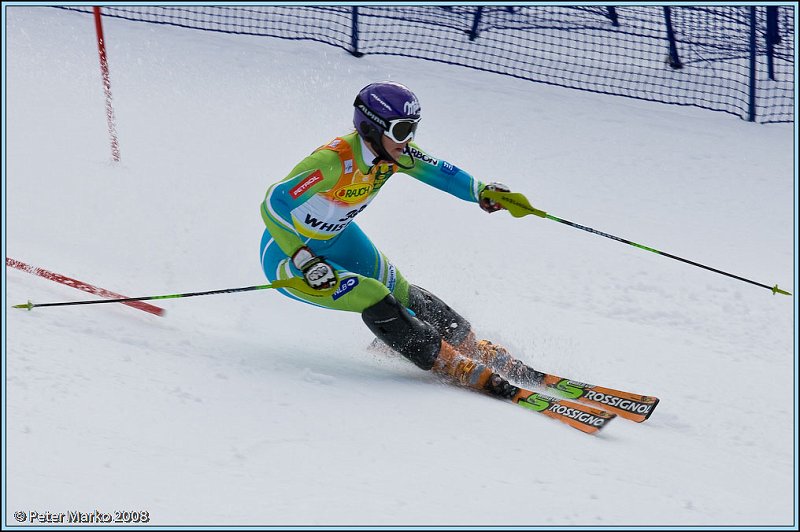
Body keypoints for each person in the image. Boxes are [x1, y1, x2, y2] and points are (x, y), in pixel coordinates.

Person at [259, 81, 527, 399]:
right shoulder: (332, 163)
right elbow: (274, 202)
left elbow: (441, 172)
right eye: (401, 131)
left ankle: (471, 347)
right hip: (288, 257)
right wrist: (303, 257)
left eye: (413, 129)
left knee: (402, 292)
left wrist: (481, 191)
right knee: (373, 293)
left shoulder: (396, 155)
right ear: (372, 128)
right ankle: (452, 364)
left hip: (337, 239)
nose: (408, 140)